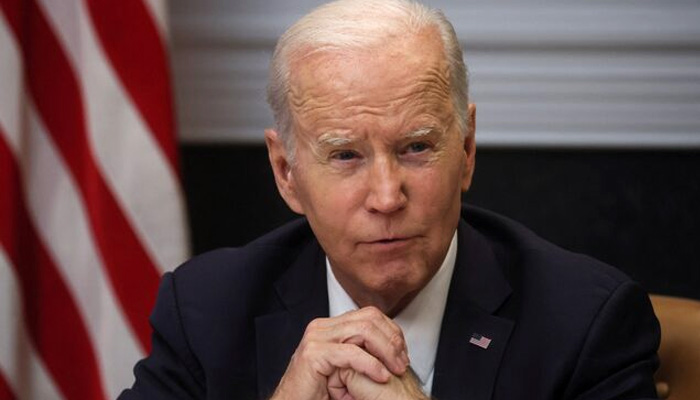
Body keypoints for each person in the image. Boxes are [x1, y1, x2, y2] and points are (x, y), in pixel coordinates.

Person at [120, 0, 660, 399]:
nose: (386, 196)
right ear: (287, 173)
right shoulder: (207, 310)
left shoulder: (583, 323)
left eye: (417, 147)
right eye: (345, 155)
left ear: (466, 150)